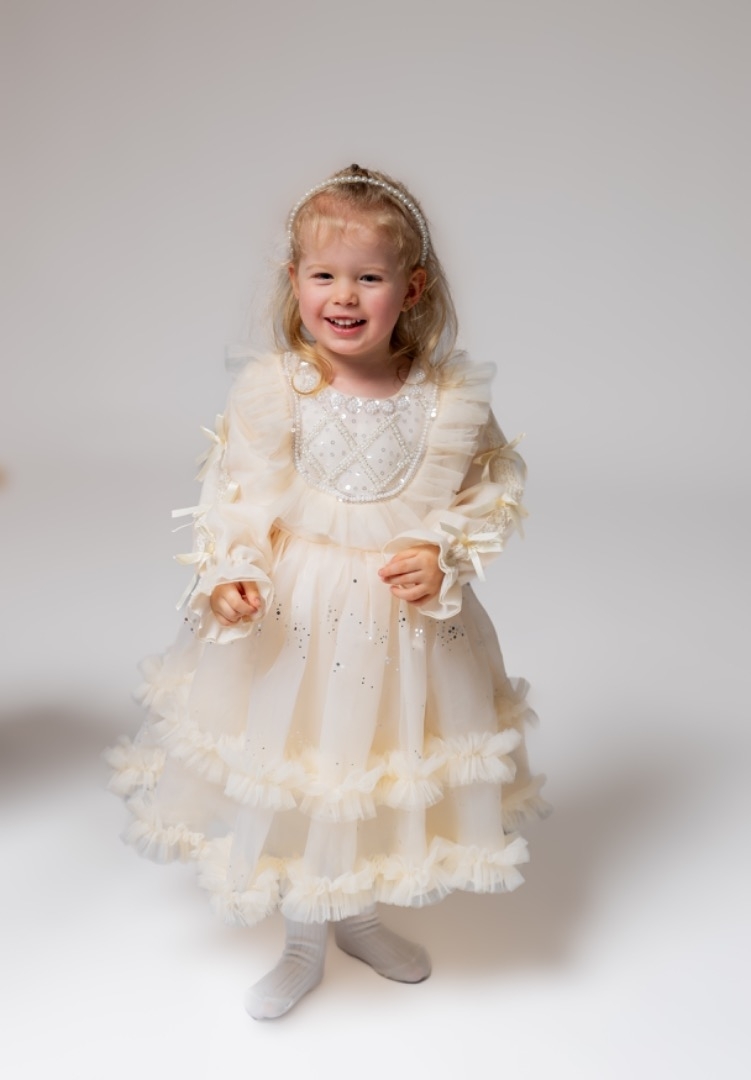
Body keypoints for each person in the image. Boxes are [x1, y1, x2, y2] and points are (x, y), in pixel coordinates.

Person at [107, 164, 549, 1020]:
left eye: (368, 278)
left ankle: (358, 916)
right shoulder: (276, 388)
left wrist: (443, 551)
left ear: (410, 288)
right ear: (294, 281)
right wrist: (233, 569)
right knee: (307, 758)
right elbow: (235, 493)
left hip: (402, 626)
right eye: (324, 276)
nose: (344, 296)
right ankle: (302, 939)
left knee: (371, 758)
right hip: (298, 615)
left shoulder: (444, 399)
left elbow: (494, 484)